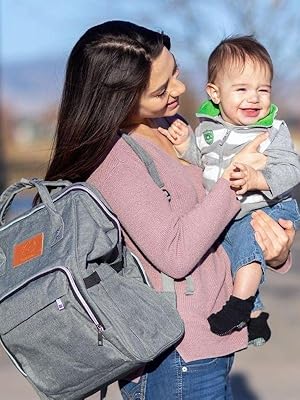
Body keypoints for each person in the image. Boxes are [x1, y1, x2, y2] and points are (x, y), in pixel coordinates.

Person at [44, 22, 295, 399]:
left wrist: (273, 252)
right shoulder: (115, 160)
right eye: (161, 89)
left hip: (211, 345)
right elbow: (176, 254)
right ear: (121, 97)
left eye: (174, 71)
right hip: (175, 357)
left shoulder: (172, 128)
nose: (179, 88)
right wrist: (235, 178)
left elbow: (216, 223)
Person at [158, 35, 300, 346]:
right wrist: (186, 147)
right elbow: (205, 169)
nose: (254, 98)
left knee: (246, 242)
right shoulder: (208, 129)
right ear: (215, 93)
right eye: (242, 89)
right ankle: (255, 315)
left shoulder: (271, 129)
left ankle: (239, 305)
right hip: (232, 211)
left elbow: (292, 169)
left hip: (268, 205)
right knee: (231, 253)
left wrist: (257, 180)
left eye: (263, 90)